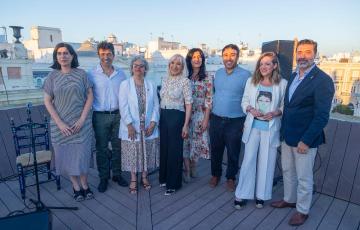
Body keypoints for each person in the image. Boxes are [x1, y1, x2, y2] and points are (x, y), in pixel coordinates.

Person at [271, 39, 335, 226]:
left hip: (305, 140)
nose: (303, 56)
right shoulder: (292, 76)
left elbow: (322, 116)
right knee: (288, 170)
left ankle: (302, 210)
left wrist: (306, 140)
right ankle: (290, 199)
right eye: (300, 52)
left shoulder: (323, 80)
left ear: (315, 54)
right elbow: (289, 106)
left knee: (304, 177)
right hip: (288, 135)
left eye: (308, 52)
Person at [233, 52, 287, 209]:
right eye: (261, 64)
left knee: (267, 162)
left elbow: (285, 105)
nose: (263, 67)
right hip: (253, 127)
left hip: (270, 129)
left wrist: (276, 112)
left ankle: (261, 196)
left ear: (275, 66)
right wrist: (250, 108)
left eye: (268, 64)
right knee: (248, 161)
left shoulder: (283, 84)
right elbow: (244, 101)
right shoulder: (251, 81)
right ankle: (242, 194)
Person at [43, 43, 94, 201]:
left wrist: (82, 119)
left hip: (81, 125)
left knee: (82, 156)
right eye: (59, 53)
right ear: (56, 57)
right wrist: (60, 123)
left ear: (72, 56)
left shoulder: (81, 74)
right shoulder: (52, 77)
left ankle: (85, 184)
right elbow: (47, 101)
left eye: (66, 53)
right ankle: (76, 186)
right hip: (61, 127)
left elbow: (90, 97)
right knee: (67, 156)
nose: (63, 56)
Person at [209, 44, 251, 192]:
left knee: (233, 151)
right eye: (226, 55)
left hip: (236, 120)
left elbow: (250, 97)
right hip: (215, 118)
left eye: (232, 54)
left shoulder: (246, 75)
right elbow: (213, 94)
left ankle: (231, 177)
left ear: (238, 57)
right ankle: (215, 174)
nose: (229, 58)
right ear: (222, 57)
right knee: (215, 150)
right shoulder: (218, 73)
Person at [88, 41, 128, 193]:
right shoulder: (91, 74)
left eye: (109, 54)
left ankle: (117, 175)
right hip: (100, 116)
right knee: (101, 148)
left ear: (113, 55)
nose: (106, 57)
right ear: (98, 55)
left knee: (118, 146)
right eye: (103, 54)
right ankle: (103, 177)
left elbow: (126, 96)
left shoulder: (121, 74)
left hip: (118, 115)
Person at [118, 56, 160, 194]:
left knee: (146, 151)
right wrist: (129, 125)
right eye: (135, 65)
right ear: (131, 68)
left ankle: (144, 176)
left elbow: (156, 106)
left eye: (141, 66)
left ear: (145, 69)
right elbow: (123, 107)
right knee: (133, 152)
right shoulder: (125, 84)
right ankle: (133, 179)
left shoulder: (151, 85)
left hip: (147, 125)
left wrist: (153, 123)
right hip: (132, 125)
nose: (138, 68)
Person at [159, 54, 193, 195]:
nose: (174, 66)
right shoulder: (165, 79)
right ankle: (165, 178)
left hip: (177, 117)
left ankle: (174, 183)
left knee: (174, 151)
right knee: (165, 148)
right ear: (169, 64)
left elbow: (189, 104)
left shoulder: (185, 81)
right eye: (172, 62)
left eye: (178, 64)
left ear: (182, 67)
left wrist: (185, 125)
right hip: (164, 115)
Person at [183, 48, 212, 182]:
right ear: (189, 59)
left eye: (199, 57)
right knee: (185, 142)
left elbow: (209, 99)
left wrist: (206, 119)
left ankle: (194, 166)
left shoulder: (208, 77)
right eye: (194, 57)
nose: (197, 59)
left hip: (200, 114)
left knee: (196, 143)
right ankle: (187, 170)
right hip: (184, 114)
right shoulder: (184, 76)